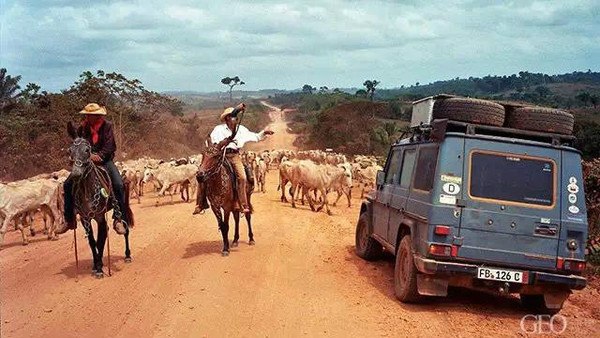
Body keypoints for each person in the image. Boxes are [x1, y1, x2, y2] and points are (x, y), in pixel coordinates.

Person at [55, 103, 129, 235]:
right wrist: (79, 155)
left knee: (118, 184)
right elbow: (78, 143)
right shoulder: (83, 128)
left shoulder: (107, 127)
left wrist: (99, 156)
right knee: (67, 184)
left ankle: (118, 219)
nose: (88, 117)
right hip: (86, 161)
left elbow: (110, 146)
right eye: (87, 115)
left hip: (105, 161)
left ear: (98, 116)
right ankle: (69, 219)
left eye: (91, 115)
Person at [193, 103, 274, 214]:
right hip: (220, 156)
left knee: (242, 177)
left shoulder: (241, 129)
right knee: (202, 174)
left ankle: (243, 204)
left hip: (235, 156)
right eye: (232, 117)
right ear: (226, 119)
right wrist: (223, 143)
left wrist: (264, 132)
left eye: (235, 117)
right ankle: (200, 203)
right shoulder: (218, 129)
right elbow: (214, 144)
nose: (234, 119)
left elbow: (255, 136)